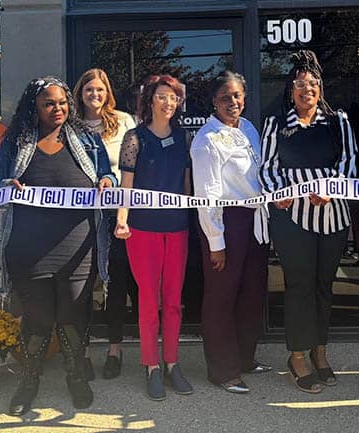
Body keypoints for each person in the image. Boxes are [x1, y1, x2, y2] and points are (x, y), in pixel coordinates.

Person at [0, 76, 117, 415]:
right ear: (35, 106)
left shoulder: (87, 138)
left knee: (73, 316)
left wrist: (106, 180)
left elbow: (108, 174)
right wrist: (6, 184)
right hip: (29, 249)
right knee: (38, 318)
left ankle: (76, 378)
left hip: (78, 248)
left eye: (62, 102)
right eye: (49, 103)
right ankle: (29, 380)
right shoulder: (16, 141)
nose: (57, 108)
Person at [259, 50, 357, 394]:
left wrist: (331, 189)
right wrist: (278, 193)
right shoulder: (276, 124)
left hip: (332, 217)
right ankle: (297, 355)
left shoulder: (338, 121)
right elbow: (267, 168)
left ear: (321, 88)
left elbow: (348, 162)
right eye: (300, 85)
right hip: (292, 218)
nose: (307, 90)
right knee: (298, 286)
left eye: (313, 84)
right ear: (291, 90)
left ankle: (320, 351)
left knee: (323, 286)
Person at [191, 70, 272, 394]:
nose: (232, 102)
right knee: (221, 298)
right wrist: (216, 242)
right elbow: (207, 195)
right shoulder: (207, 140)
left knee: (252, 294)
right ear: (214, 101)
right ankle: (223, 370)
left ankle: (245, 357)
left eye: (237, 95)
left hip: (255, 221)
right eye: (225, 97)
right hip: (227, 222)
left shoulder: (249, 128)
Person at [114, 74, 194, 401]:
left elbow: (187, 184)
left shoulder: (184, 137)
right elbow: (126, 186)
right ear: (150, 101)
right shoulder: (135, 138)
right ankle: (151, 366)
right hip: (143, 230)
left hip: (177, 227)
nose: (168, 102)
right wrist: (122, 221)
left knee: (173, 300)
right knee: (149, 300)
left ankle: (172, 362)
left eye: (173, 97)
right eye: (161, 96)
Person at [72, 68, 138, 380]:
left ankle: (114, 347)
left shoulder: (124, 121)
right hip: (81, 217)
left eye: (99, 90)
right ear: (80, 93)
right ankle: (82, 352)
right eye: (88, 90)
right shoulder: (70, 125)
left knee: (117, 283)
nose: (94, 95)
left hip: (117, 214)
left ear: (107, 92)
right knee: (83, 285)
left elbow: (134, 164)